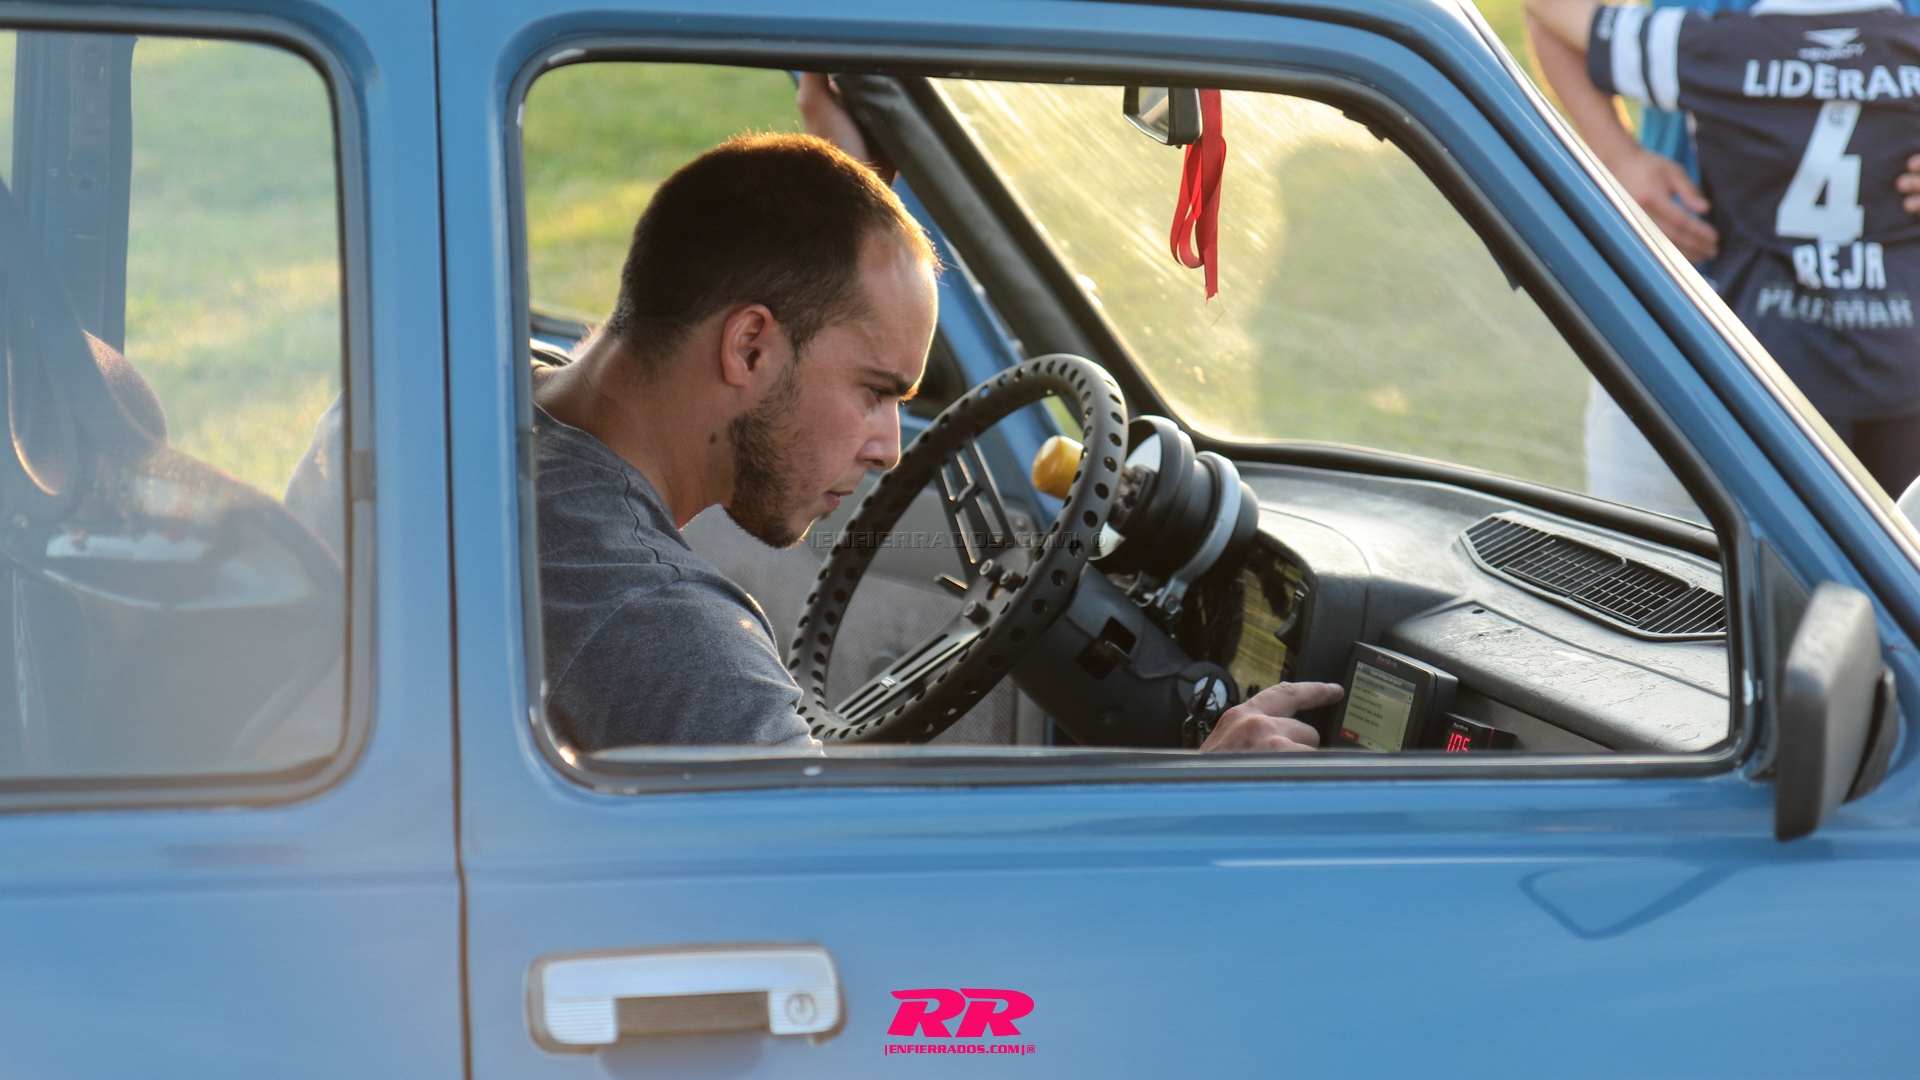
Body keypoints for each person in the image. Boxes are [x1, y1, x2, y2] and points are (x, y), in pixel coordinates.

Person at [531, 129, 1342, 753]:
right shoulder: (662, 631)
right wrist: (1193, 800)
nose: (889, 449)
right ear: (749, 348)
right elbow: (870, 904)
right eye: (875, 392)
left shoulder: (504, 405)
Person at [1531, 0, 1920, 507]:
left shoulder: (1712, 47)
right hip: (1697, 305)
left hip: (1745, 347)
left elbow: (1553, 12)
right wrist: (1617, 155)